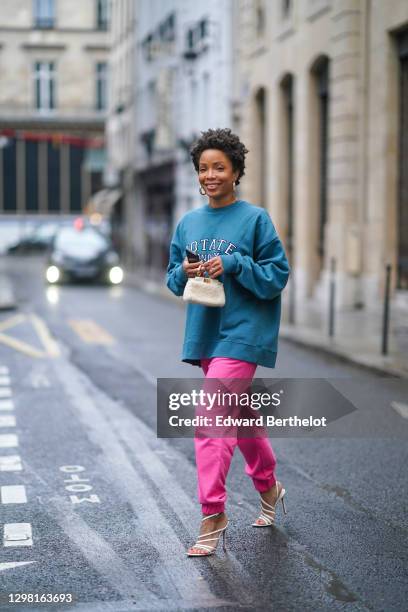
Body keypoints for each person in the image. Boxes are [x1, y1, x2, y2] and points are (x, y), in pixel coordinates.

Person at [166, 128, 290, 556]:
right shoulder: (188, 222)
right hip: (206, 334)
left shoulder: (255, 219)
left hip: (244, 333)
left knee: (211, 418)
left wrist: (234, 263)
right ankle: (269, 487)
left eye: (219, 167)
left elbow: (277, 276)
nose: (210, 175)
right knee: (242, 420)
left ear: (236, 171)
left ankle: (212, 512)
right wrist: (185, 271)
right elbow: (171, 277)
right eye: (203, 168)